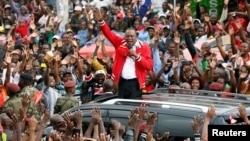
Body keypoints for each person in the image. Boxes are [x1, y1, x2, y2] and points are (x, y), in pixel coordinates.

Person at [93, 9, 153, 99]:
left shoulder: (144, 47)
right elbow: (108, 33)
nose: (129, 38)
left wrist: (137, 56)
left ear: (136, 36)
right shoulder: (120, 42)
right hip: (121, 82)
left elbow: (149, 66)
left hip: (135, 83)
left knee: (133, 107)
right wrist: (101, 21)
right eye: (127, 36)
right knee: (121, 106)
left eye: (132, 36)